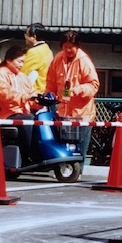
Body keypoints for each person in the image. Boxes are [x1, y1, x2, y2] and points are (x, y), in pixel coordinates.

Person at [45, 30, 99, 168]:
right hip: (63, 112)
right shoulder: (57, 59)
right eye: (65, 46)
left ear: (78, 46)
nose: (68, 50)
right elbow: (50, 82)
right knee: (63, 144)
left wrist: (80, 89)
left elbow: (94, 85)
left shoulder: (84, 61)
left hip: (82, 114)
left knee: (80, 146)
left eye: (71, 47)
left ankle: (77, 171)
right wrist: (50, 95)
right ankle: (64, 170)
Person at [0, 45, 37, 162]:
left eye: (23, 62)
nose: (21, 65)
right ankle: (27, 155)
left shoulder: (23, 77)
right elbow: (4, 93)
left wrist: (40, 100)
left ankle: (39, 153)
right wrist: (24, 97)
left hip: (20, 113)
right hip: (4, 113)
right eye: (19, 61)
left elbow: (32, 93)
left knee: (40, 117)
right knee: (29, 118)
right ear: (9, 60)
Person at [23, 23, 54, 94]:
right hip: (45, 90)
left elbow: (22, 73)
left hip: (35, 93)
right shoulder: (48, 50)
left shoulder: (34, 52)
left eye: (26, 35)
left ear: (34, 37)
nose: (25, 37)